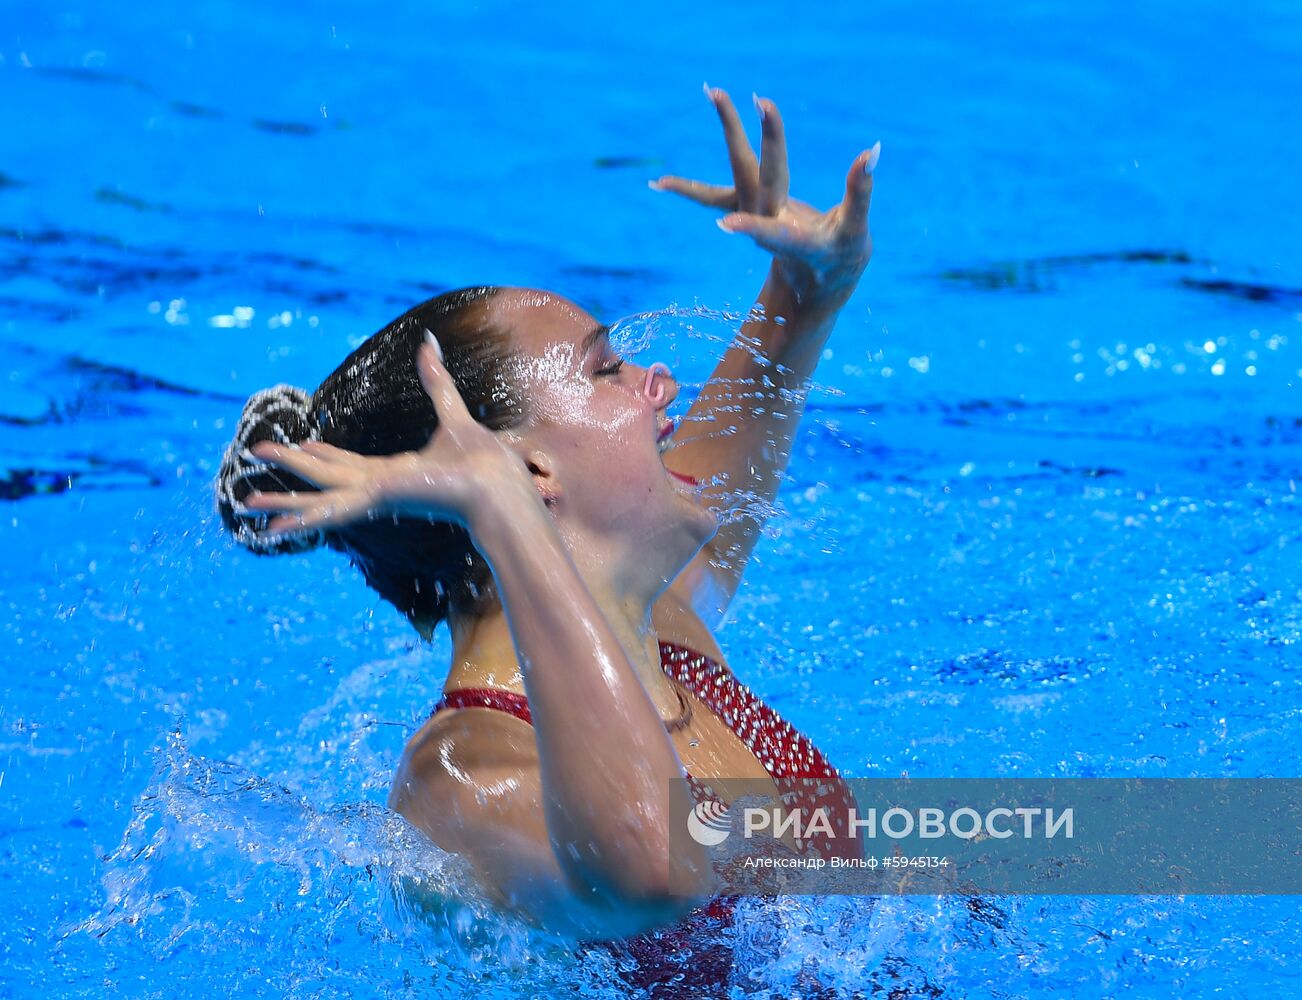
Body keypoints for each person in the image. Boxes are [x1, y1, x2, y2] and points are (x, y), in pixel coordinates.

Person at [215, 86, 876, 986]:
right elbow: (650, 868)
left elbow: (718, 510)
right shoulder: (461, 782)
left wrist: (805, 293)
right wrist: (501, 516)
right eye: (608, 370)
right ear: (525, 477)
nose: (658, 382)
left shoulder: (654, 628)